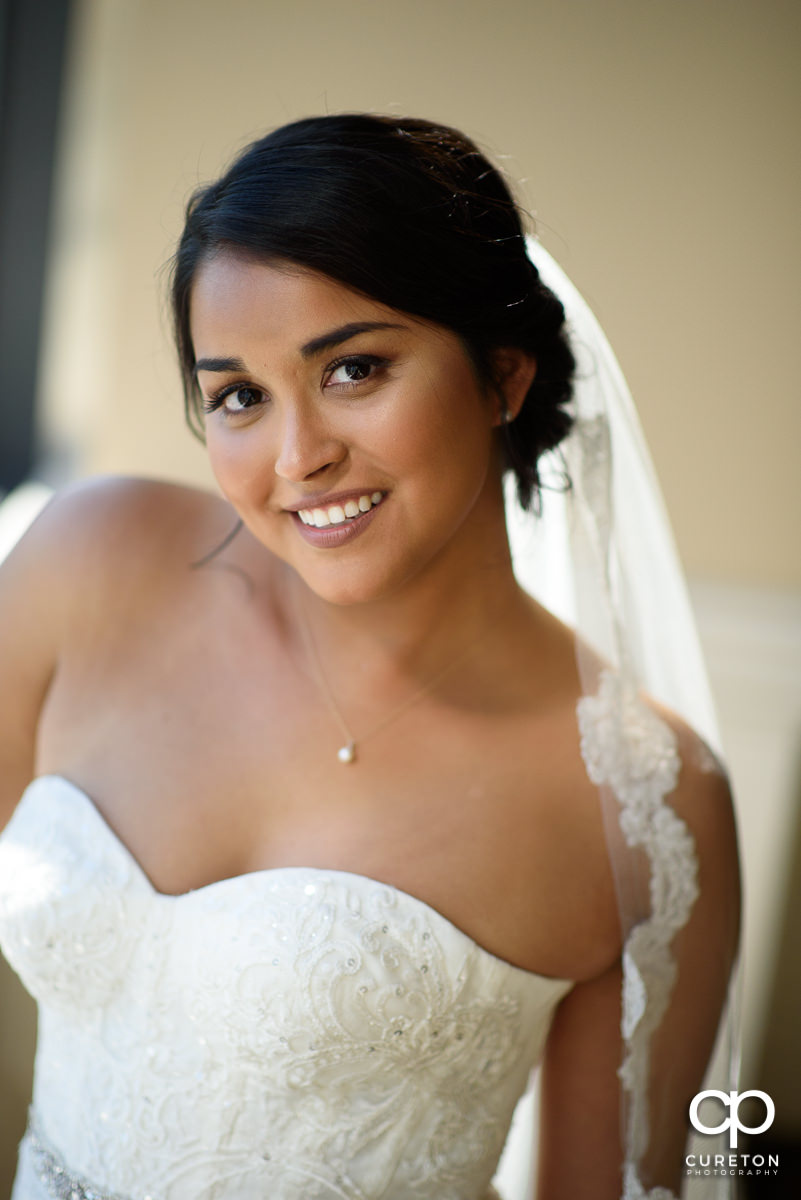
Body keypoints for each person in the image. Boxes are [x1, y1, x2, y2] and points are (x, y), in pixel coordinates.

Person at [0, 113, 740, 1200]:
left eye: (353, 370)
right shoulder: (87, 561)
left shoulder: (644, 804)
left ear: (501, 373)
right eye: (240, 396)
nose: (299, 458)